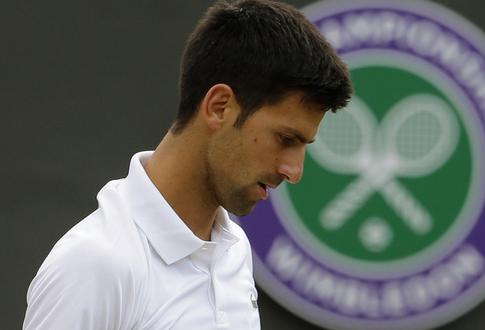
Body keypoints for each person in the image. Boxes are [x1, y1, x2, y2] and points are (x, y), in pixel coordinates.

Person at [23, 0, 352, 329]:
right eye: (285, 139)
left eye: (302, 145)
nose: (294, 172)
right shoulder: (93, 264)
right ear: (220, 107)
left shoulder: (233, 250)